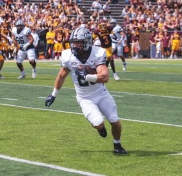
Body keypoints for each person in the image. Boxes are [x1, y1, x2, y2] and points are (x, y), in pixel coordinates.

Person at [45, 27, 127, 155]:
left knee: (115, 121)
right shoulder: (68, 56)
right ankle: (100, 128)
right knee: (98, 123)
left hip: (101, 94)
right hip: (85, 98)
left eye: (79, 42)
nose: (75, 45)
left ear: (87, 42)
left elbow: (104, 76)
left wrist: (90, 77)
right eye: (74, 42)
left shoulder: (97, 53)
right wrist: (53, 95)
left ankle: (117, 144)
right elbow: (61, 76)